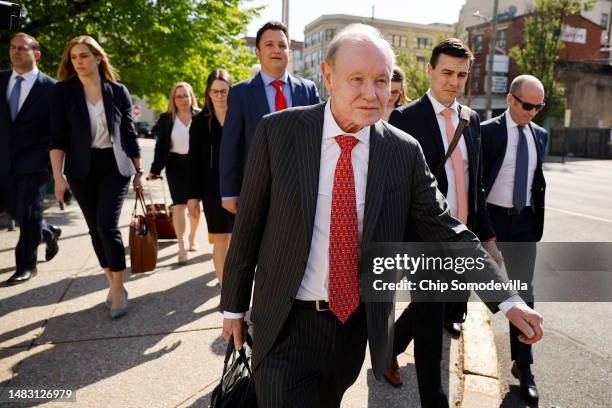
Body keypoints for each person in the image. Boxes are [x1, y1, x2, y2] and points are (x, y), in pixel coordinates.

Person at [220, 24, 543, 408]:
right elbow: (248, 228)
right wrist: (234, 308)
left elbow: (447, 229)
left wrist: (507, 299)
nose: (372, 94)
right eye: (357, 79)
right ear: (327, 76)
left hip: (351, 329)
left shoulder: (402, 152)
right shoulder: (280, 132)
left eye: (381, 80)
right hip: (285, 324)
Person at [385, 38, 501, 404]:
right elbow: (396, 190)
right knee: (431, 325)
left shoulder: (472, 119)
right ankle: (433, 399)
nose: (453, 81)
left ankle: (387, 348)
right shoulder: (406, 119)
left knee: (431, 306)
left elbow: (476, 183)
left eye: (461, 74)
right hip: (425, 241)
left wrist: (489, 237)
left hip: (463, 237)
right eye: (447, 72)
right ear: (429, 71)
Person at [49, 35, 142, 319]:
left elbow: (128, 133)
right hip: (80, 169)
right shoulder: (63, 92)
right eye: (74, 57)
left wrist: (138, 172)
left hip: (113, 165)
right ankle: (113, 282)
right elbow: (57, 137)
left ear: (98, 58)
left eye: (84, 56)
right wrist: (57, 178)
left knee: (107, 225)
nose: (79, 61)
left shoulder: (117, 90)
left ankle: (117, 287)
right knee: (94, 229)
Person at [481, 74, 548, 404]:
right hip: (489, 221)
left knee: (524, 294)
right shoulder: (487, 132)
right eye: (527, 105)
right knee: (460, 284)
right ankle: (402, 342)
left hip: (522, 223)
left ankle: (524, 366)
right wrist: (481, 229)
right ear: (510, 99)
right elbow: (477, 181)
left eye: (538, 107)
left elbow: (536, 182)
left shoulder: (541, 136)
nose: (532, 112)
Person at [219, 20, 320, 215]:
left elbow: (319, 137)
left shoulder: (308, 89)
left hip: (302, 188)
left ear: (289, 53)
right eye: (269, 45)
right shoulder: (241, 93)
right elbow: (230, 145)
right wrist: (229, 192)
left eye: (282, 45)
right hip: (257, 189)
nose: (276, 50)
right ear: (258, 53)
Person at [0, 32, 61, 285]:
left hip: (35, 162)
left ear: (36, 54)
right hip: (3, 159)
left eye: (22, 48)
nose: (15, 52)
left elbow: (57, 129)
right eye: (13, 47)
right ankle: (48, 231)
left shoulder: (52, 88)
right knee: (15, 209)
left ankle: (26, 265)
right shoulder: (0, 79)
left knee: (27, 209)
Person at [187, 69, 234, 285]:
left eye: (224, 91)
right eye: (215, 91)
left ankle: (236, 284)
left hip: (239, 186)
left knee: (238, 239)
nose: (219, 96)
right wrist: (193, 197)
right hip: (211, 188)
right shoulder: (199, 122)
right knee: (222, 237)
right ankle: (226, 289)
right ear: (208, 92)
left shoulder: (239, 116)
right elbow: (194, 162)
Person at [149, 82, 201, 264]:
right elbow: (160, 145)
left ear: (191, 96)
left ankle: (192, 238)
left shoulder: (200, 115)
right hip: (175, 165)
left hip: (197, 166)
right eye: (178, 96)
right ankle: (181, 246)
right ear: (173, 99)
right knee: (179, 206)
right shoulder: (166, 119)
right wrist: (155, 169)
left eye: (185, 95)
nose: (182, 99)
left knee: (194, 208)